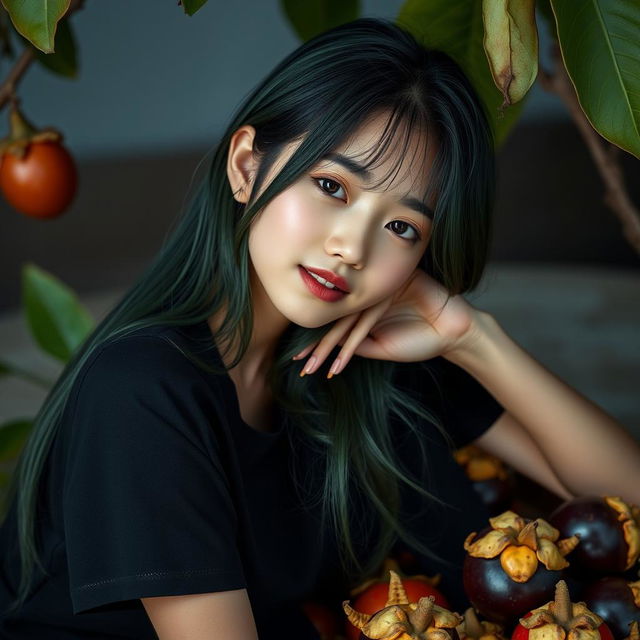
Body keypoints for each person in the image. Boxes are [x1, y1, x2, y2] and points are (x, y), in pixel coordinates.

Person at [1, 15, 639, 640]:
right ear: (248, 167)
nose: (352, 248)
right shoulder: (142, 392)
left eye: (402, 228)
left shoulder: (368, 353)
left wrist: (474, 339)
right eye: (332, 185)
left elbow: (625, 506)